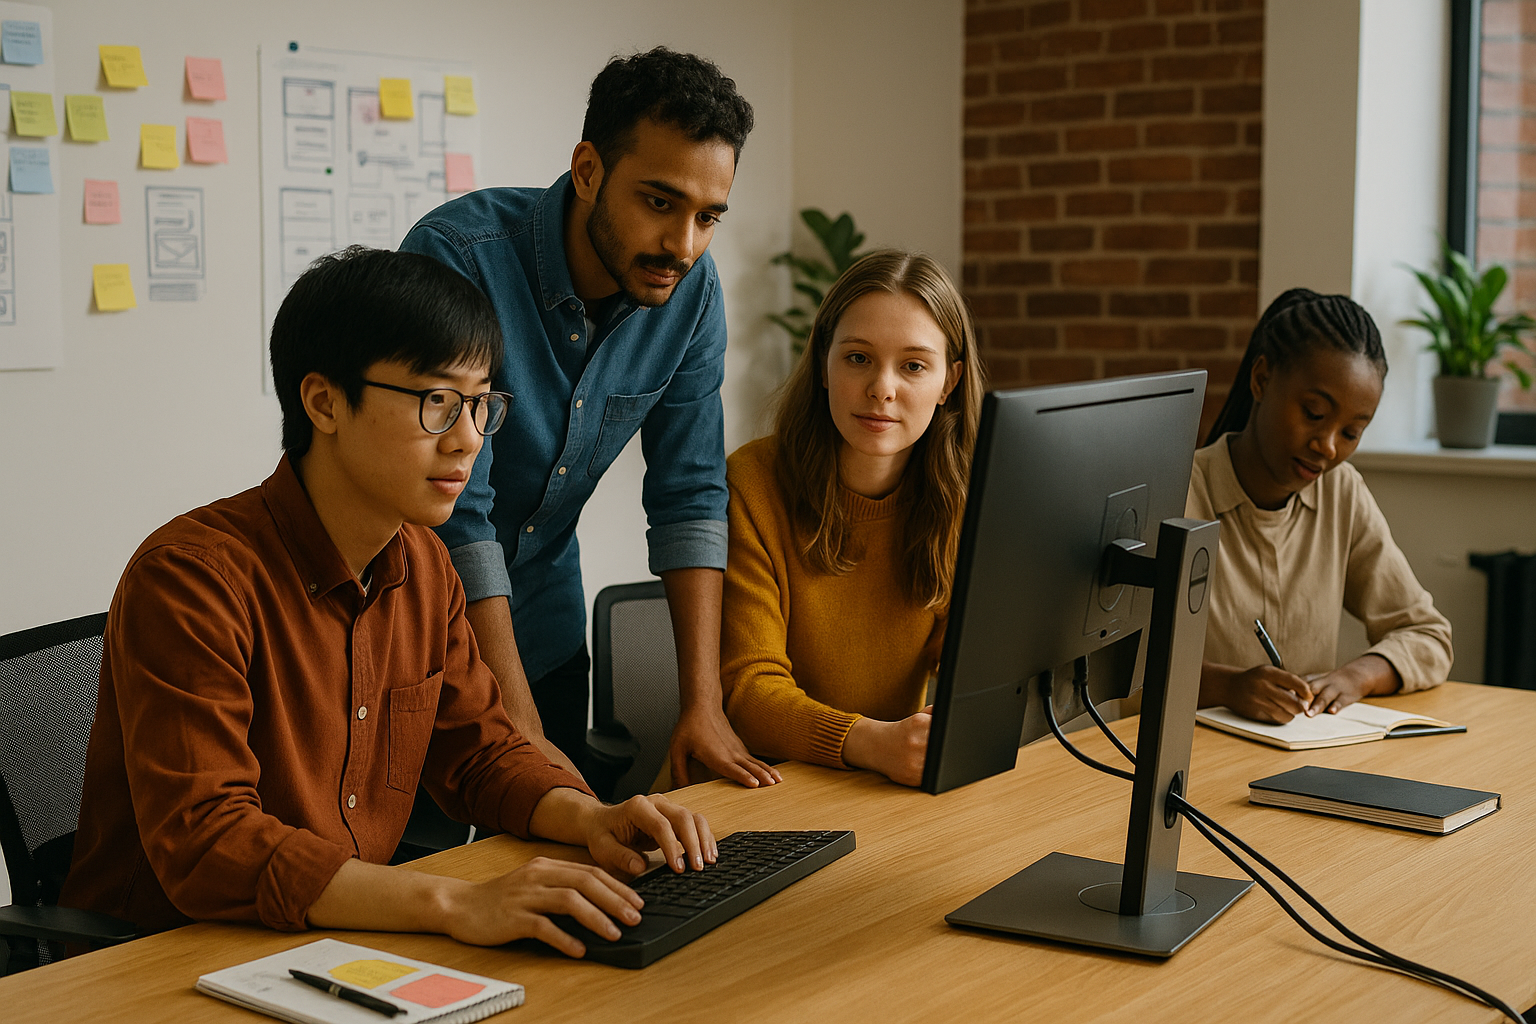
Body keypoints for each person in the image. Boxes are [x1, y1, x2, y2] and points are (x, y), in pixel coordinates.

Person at [61, 248, 716, 958]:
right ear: (324, 402)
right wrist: (455, 901)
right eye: (437, 402)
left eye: (480, 403)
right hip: (163, 962)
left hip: (333, 945)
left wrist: (590, 819)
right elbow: (207, 842)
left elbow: (482, 754)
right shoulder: (191, 580)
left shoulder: (424, 566)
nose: (468, 438)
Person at [400, 47, 777, 790]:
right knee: (433, 883)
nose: (684, 246)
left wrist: (701, 704)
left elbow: (691, 493)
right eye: (660, 203)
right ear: (588, 170)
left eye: (708, 217)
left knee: (559, 879)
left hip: (543, 635)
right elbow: (457, 515)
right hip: (419, 648)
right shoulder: (457, 259)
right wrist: (519, 728)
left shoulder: (692, 295)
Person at [718, 251, 984, 786]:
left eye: (913, 365)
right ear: (823, 362)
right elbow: (748, 689)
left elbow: (973, 668)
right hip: (750, 789)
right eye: (858, 358)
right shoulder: (752, 482)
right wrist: (869, 742)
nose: (882, 388)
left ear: (949, 383)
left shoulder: (962, 498)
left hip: (878, 789)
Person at [1189, 288, 1453, 725]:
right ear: (1261, 380)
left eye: (1350, 432)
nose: (1327, 447)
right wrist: (1227, 687)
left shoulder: (1341, 492)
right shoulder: (1180, 494)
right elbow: (1118, 666)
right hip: (1184, 764)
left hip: (1301, 766)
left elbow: (1427, 634)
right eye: (1313, 413)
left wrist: (1358, 675)